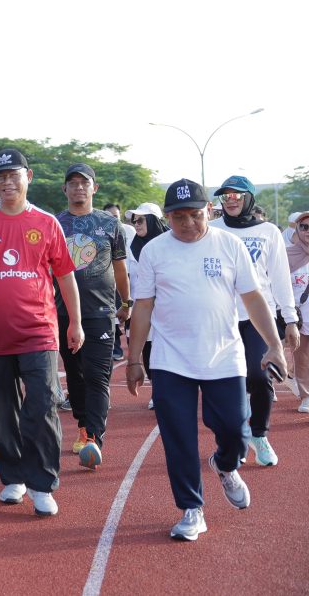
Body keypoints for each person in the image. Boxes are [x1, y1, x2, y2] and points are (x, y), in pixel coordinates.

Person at [126, 178, 287, 541]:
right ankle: (191, 509)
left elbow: (254, 298)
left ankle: (226, 465)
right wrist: (135, 359)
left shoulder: (229, 245)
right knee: (178, 437)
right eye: (178, 217)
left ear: (208, 211)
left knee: (235, 429)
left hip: (223, 356)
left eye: (195, 215)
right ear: (167, 217)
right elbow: (144, 305)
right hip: (171, 359)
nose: (188, 223)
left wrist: (274, 344)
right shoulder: (154, 251)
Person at [0, 148, 83, 517]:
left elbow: (65, 276)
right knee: (1, 409)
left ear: (28, 177)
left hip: (39, 332)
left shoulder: (46, 222)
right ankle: (13, 477)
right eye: (0, 176)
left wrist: (75, 322)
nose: (6, 182)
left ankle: (42, 483)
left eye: (13, 175)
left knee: (42, 405)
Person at [209, 175, 298, 466]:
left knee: (259, 376)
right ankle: (232, 439)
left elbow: (280, 278)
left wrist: (290, 318)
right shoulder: (212, 230)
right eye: (226, 195)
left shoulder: (268, 231)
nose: (231, 199)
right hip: (222, 318)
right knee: (226, 382)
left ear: (249, 198)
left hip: (258, 317)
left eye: (237, 194)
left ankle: (259, 435)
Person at [54, 163, 130, 470]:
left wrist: (126, 302)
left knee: (98, 376)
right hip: (62, 311)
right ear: (65, 189)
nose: (79, 188)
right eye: (72, 183)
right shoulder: (54, 223)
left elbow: (120, 268)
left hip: (100, 312)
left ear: (94, 188)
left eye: (84, 183)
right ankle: (83, 424)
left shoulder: (110, 224)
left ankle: (93, 439)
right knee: (75, 375)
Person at [123, 202, 169, 409]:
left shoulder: (171, 244)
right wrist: (126, 304)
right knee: (148, 350)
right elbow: (127, 277)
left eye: (141, 220)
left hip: (167, 309)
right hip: (141, 308)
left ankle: (168, 390)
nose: (136, 224)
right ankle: (157, 390)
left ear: (153, 220)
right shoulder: (131, 246)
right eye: (134, 220)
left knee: (167, 350)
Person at [104, 202, 135, 361]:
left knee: (130, 310)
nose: (113, 219)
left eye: (115, 216)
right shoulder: (100, 231)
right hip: (111, 276)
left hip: (130, 275)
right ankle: (115, 346)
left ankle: (133, 347)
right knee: (112, 312)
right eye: (109, 216)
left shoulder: (130, 231)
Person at [287, 211, 309, 412]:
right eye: (304, 227)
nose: (308, 231)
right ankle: (306, 397)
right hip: (300, 317)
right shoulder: (286, 255)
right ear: (298, 229)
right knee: (301, 359)